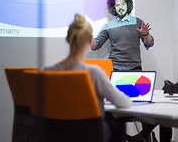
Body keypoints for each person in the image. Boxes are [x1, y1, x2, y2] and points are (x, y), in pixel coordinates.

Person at [44, 14, 132, 142]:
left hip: (57, 133)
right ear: (91, 41)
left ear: (68, 39)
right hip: (91, 134)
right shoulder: (93, 72)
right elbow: (123, 103)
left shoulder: (49, 71)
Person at [91, 0, 154, 71]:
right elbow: (95, 45)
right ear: (114, 8)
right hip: (115, 68)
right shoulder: (108, 26)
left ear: (128, 5)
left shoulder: (138, 22)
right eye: (117, 5)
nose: (120, 7)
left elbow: (149, 44)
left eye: (123, 4)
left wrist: (146, 34)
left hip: (135, 68)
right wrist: (88, 36)